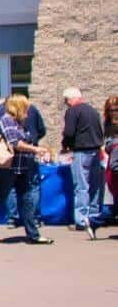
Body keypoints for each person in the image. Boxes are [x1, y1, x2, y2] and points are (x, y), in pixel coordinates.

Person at [0, 95, 53, 245]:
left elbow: (29, 137)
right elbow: (15, 143)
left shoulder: (19, 122)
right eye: (25, 107)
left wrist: (34, 147)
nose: (28, 111)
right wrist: (36, 149)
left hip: (21, 166)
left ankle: (33, 234)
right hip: (7, 167)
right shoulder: (7, 120)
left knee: (27, 200)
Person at [62, 87, 104, 232]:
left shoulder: (72, 111)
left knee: (81, 186)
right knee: (95, 186)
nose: (66, 103)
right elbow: (100, 131)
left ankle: (81, 220)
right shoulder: (93, 110)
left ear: (70, 99)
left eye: (66, 100)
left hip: (81, 150)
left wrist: (65, 146)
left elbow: (69, 132)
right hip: (96, 150)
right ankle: (94, 217)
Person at [105, 95, 118, 211]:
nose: (113, 112)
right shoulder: (107, 123)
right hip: (111, 156)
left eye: (115, 109)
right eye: (110, 110)